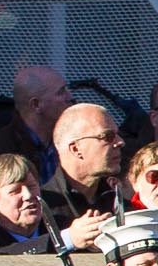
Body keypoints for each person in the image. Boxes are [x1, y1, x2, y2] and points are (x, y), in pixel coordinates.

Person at [41, 103, 123, 248]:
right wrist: (67, 240)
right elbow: (11, 254)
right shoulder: (42, 207)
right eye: (108, 136)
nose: (120, 142)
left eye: (117, 134)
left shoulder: (118, 199)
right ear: (75, 149)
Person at [2, 64, 70, 182]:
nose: (69, 96)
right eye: (61, 92)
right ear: (36, 105)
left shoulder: (72, 139)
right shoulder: (3, 148)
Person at [0, 154, 51, 255]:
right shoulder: (67, 236)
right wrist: (66, 240)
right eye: (15, 190)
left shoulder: (61, 225)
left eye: (32, 187)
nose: (28, 195)